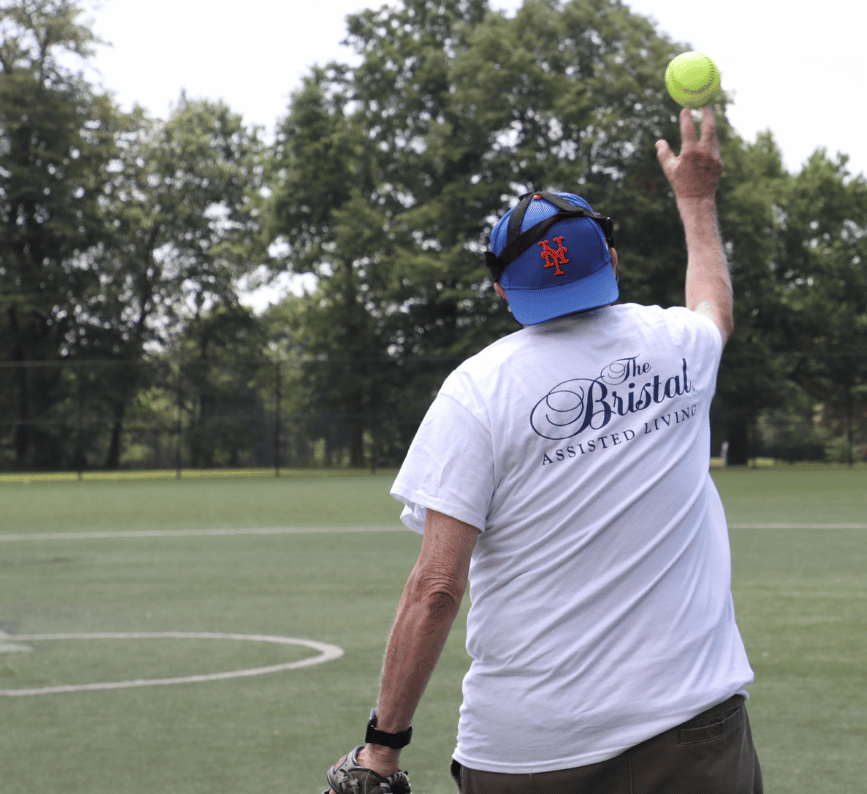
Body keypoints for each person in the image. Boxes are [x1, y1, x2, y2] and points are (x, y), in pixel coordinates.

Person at [324, 107, 762, 794]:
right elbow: (714, 307)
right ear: (611, 262)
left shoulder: (478, 389)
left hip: (529, 753)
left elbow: (437, 588)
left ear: (504, 290)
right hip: (691, 731)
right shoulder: (678, 344)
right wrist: (696, 199)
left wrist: (382, 747)